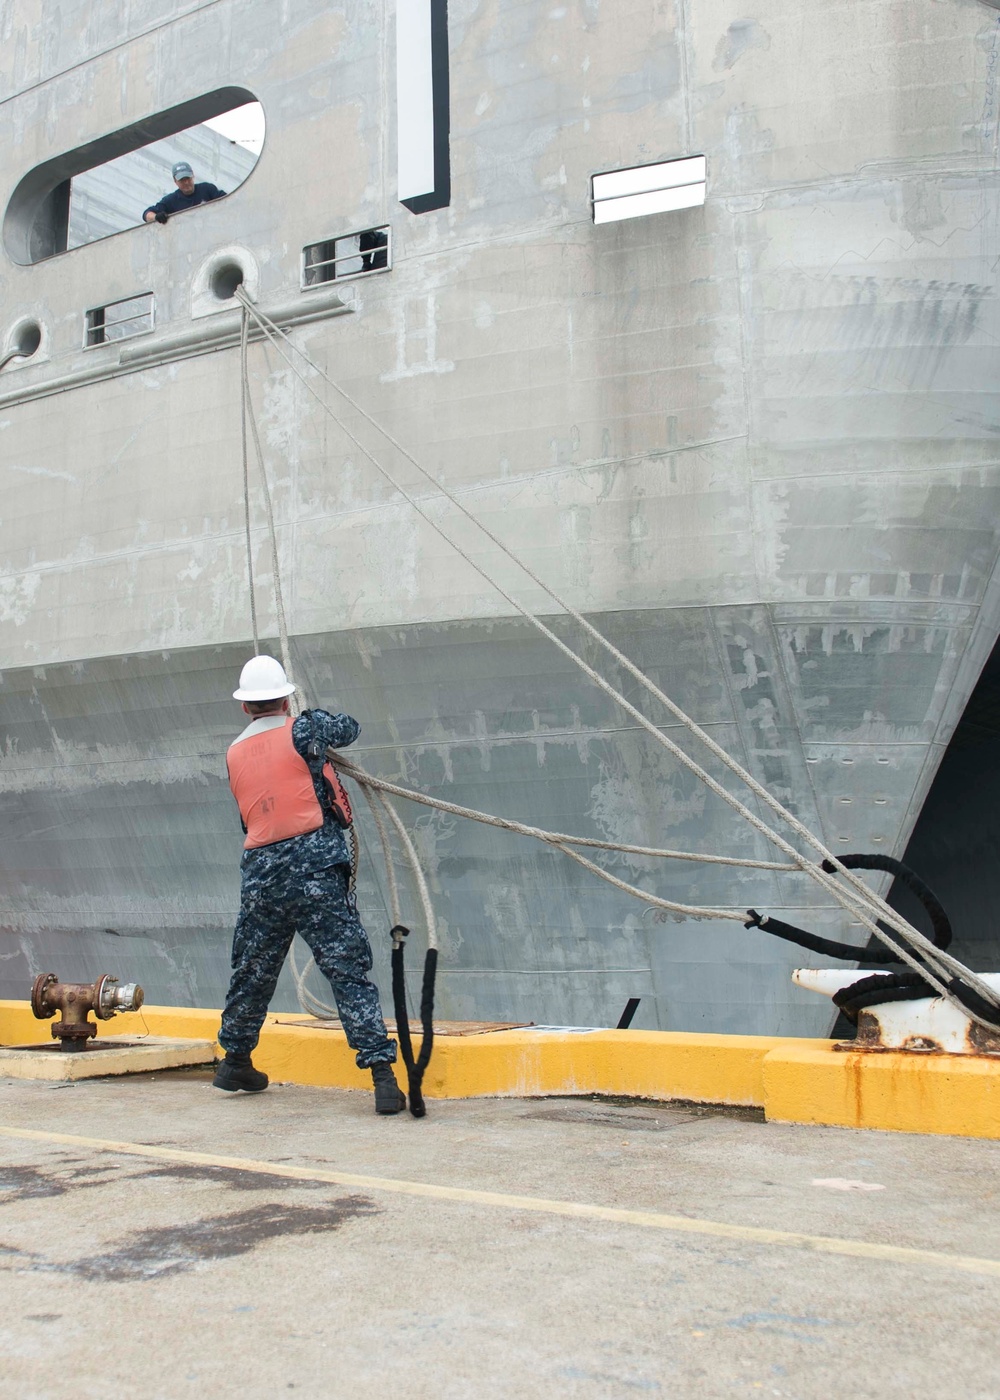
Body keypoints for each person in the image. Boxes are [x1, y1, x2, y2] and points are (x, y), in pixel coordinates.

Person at [214, 654, 406, 1114]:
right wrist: (312, 724)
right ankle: (382, 1076)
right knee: (346, 968)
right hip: (315, 868)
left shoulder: (234, 751)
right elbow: (350, 727)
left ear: (245, 707)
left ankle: (235, 1059)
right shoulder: (304, 729)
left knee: (253, 970)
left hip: (260, 875)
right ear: (286, 697)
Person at [143, 162, 225, 224]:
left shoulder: (207, 188)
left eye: (188, 178)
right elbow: (147, 214)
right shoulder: (171, 200)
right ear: (175, 181)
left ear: (193, 175)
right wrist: (156, 217)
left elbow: (227, 200)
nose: (186, 182)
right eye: (182, 180)